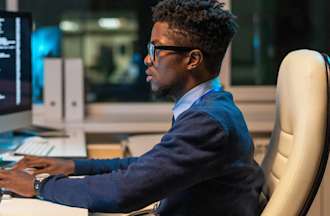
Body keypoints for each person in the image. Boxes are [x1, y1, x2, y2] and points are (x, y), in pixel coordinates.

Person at [0, 0, 264, 215]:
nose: (148, 58)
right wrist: (72, 166)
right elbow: (147, 166)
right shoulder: (212, 107)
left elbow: (123, 193)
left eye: (157, 48)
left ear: (192, 59)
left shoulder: (209, 122)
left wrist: (38, 185)